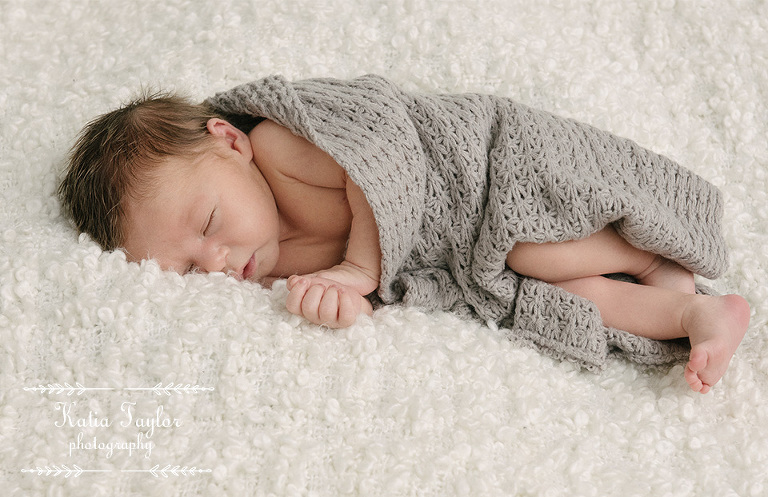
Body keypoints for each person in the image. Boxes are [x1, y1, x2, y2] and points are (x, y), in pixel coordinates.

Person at [58, 90, 750, 394]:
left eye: (207, 225)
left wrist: (358, 266)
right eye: (183, 267)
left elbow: (379, 153)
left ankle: (649, 251)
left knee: (526, 253)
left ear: (230, 141)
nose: (212, 261)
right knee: (555, 294)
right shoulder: (265, 266)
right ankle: (693, 314)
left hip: (485, 165)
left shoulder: (282, 143)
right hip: (471, 251)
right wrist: (345, 304)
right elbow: (384, 291)